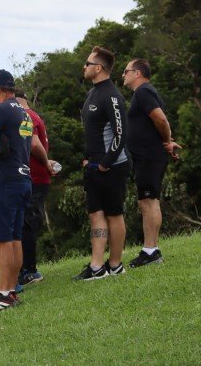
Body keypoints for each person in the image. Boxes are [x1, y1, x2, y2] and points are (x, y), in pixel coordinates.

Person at [0, 69, 53, 312]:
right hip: (24, 179)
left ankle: (4, 293)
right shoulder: (24, 113)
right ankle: (12, 290)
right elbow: (33, 145)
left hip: (4, 180)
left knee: (2, 239)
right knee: (15, 237)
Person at [75, 46, 130, 281]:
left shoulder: (112, 95)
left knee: (114, 214)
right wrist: (88, 159)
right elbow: (93, 132)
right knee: (96, 214)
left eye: (87, 64)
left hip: (113, 166)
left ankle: (115, 264)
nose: (84, 67)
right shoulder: (92, 94)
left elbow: (121, 132)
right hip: (93, 166)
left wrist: (106, 163)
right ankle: (97, 267)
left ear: (98, 68)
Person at [122, 58, 182, 267]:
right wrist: (168, 142)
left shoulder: (143, 92)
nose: (123, 75)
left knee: (148, 201)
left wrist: (167, 141)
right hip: (147, 155)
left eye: (126, 71)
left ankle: (151, 251)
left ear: (137, 73)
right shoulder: (145, 93)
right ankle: (151, 250)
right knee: (148, 201)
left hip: (149, 155)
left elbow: (161, 119)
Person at [14, 89, 52, 286]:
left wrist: (45, 164)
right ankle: (27, 269)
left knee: (26, 223)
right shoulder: (34, 115)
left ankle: (29, 270)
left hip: (34, 177)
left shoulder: (26, 116)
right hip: (37, 177)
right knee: (26, 222)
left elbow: (34, 144)